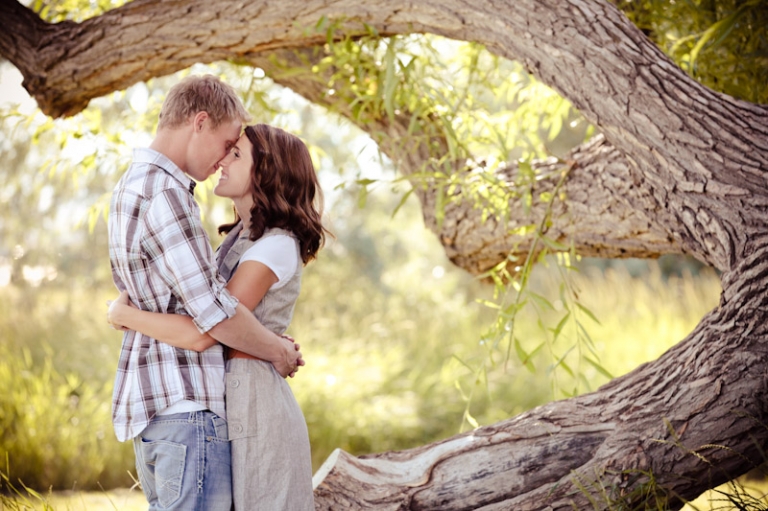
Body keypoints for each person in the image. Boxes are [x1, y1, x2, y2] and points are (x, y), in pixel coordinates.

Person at [108, 76, 303, 511]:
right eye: (227, 143)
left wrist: (122, 315)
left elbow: (192, 311)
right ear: (199, 122)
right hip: (187, 408)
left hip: (160, 410)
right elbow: (209, 325)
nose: (222, 159)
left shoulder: (132, 186)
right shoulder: (167, 195)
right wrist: (275, 348)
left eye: (237, 151)